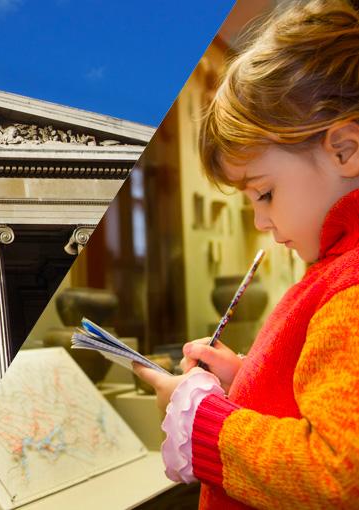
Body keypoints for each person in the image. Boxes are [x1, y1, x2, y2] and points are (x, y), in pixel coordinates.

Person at [134, 1, 359, 508]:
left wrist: (202, 423)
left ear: (344, 151)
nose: (260, 220)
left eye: (264, 192)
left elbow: (339, 477)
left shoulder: (349, 288)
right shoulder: (337, 270)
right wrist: (248, 380)